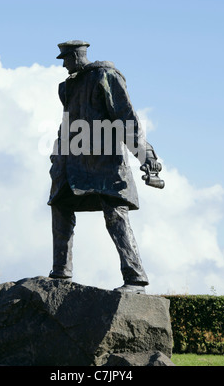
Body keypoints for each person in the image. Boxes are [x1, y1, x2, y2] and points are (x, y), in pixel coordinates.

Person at [47, 40, 162, 293]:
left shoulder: (105, 76)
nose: (64, 64)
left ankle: (135, 278)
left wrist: (145, 154)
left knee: (116, 217)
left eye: (66, 59)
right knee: (60, 205)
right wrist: (57, 156)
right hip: (73, 164)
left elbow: (126, 118)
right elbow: (66, 125)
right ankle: (60, 273)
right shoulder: (70, 86)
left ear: (77, 56)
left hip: (105, 164)